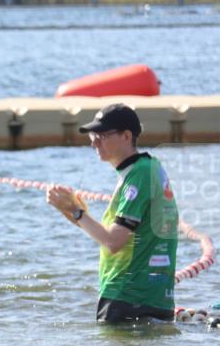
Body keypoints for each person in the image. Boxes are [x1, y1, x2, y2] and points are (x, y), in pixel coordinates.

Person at [46, 104, 178, 323]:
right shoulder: (149, 167)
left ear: (127, 136)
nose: (94, 142)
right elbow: (116, 237)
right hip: (152, 299)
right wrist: (70, 211)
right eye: (92, 135)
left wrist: (77, 212)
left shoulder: (139, 174)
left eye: (102, 135)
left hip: (128, 299)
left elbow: (113, 241)